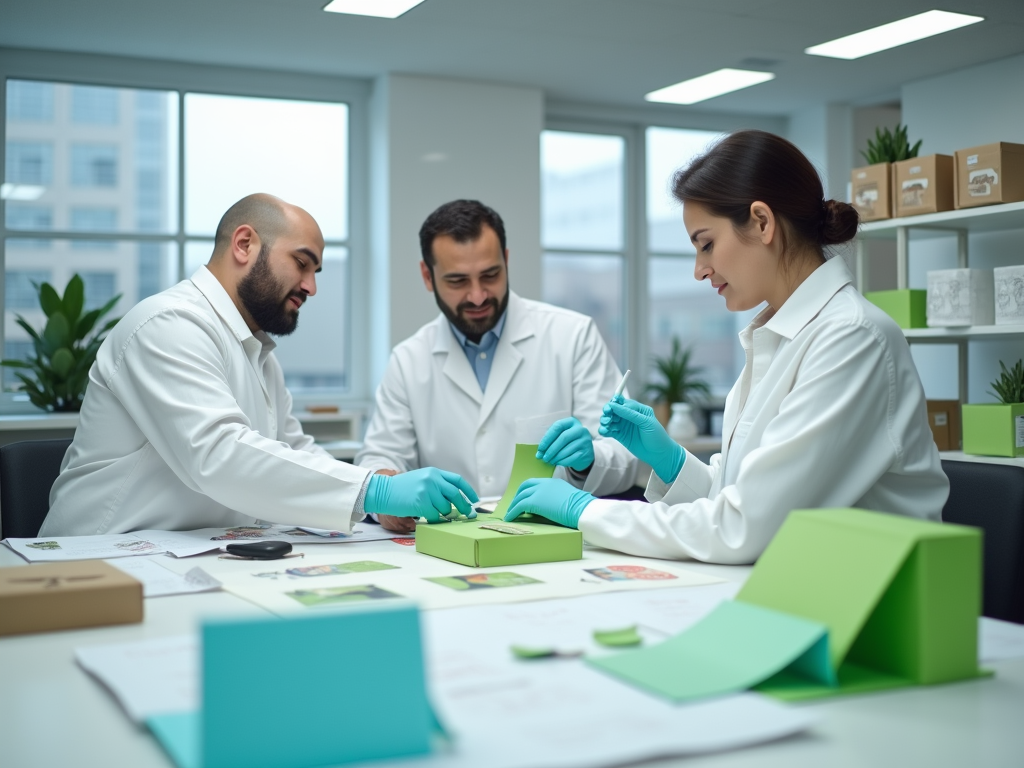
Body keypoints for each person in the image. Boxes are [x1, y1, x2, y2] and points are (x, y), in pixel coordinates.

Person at [503, 130, 949, 564]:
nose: (700, 270)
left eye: (706, 244)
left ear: (761, 221)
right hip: (793, 583)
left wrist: (586, 510)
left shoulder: (852, 338)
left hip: (870, 608)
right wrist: (673, 461)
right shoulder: (778, 335)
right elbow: (739, 496)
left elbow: (744, 527)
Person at [42, 194, 478, 536]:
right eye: (302, 263)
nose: (310, 286)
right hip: (100, 554)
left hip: (187, 553)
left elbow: (294, 450)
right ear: (245, 244)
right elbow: (219, 454)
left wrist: (373, 492)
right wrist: (373, 491)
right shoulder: (168, 325)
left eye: (317, 271)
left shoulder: (256, 350)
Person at [356, 199, 638, 532]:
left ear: (506, 260)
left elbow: (626, 456)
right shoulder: (408, 359)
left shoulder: (574, 336)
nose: (477, 296)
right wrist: (388, 495)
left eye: (490, 275)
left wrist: (589, 460)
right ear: (427, 276)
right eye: (458, 281)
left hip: (552, 537)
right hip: (451, 546)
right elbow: (380, 455)